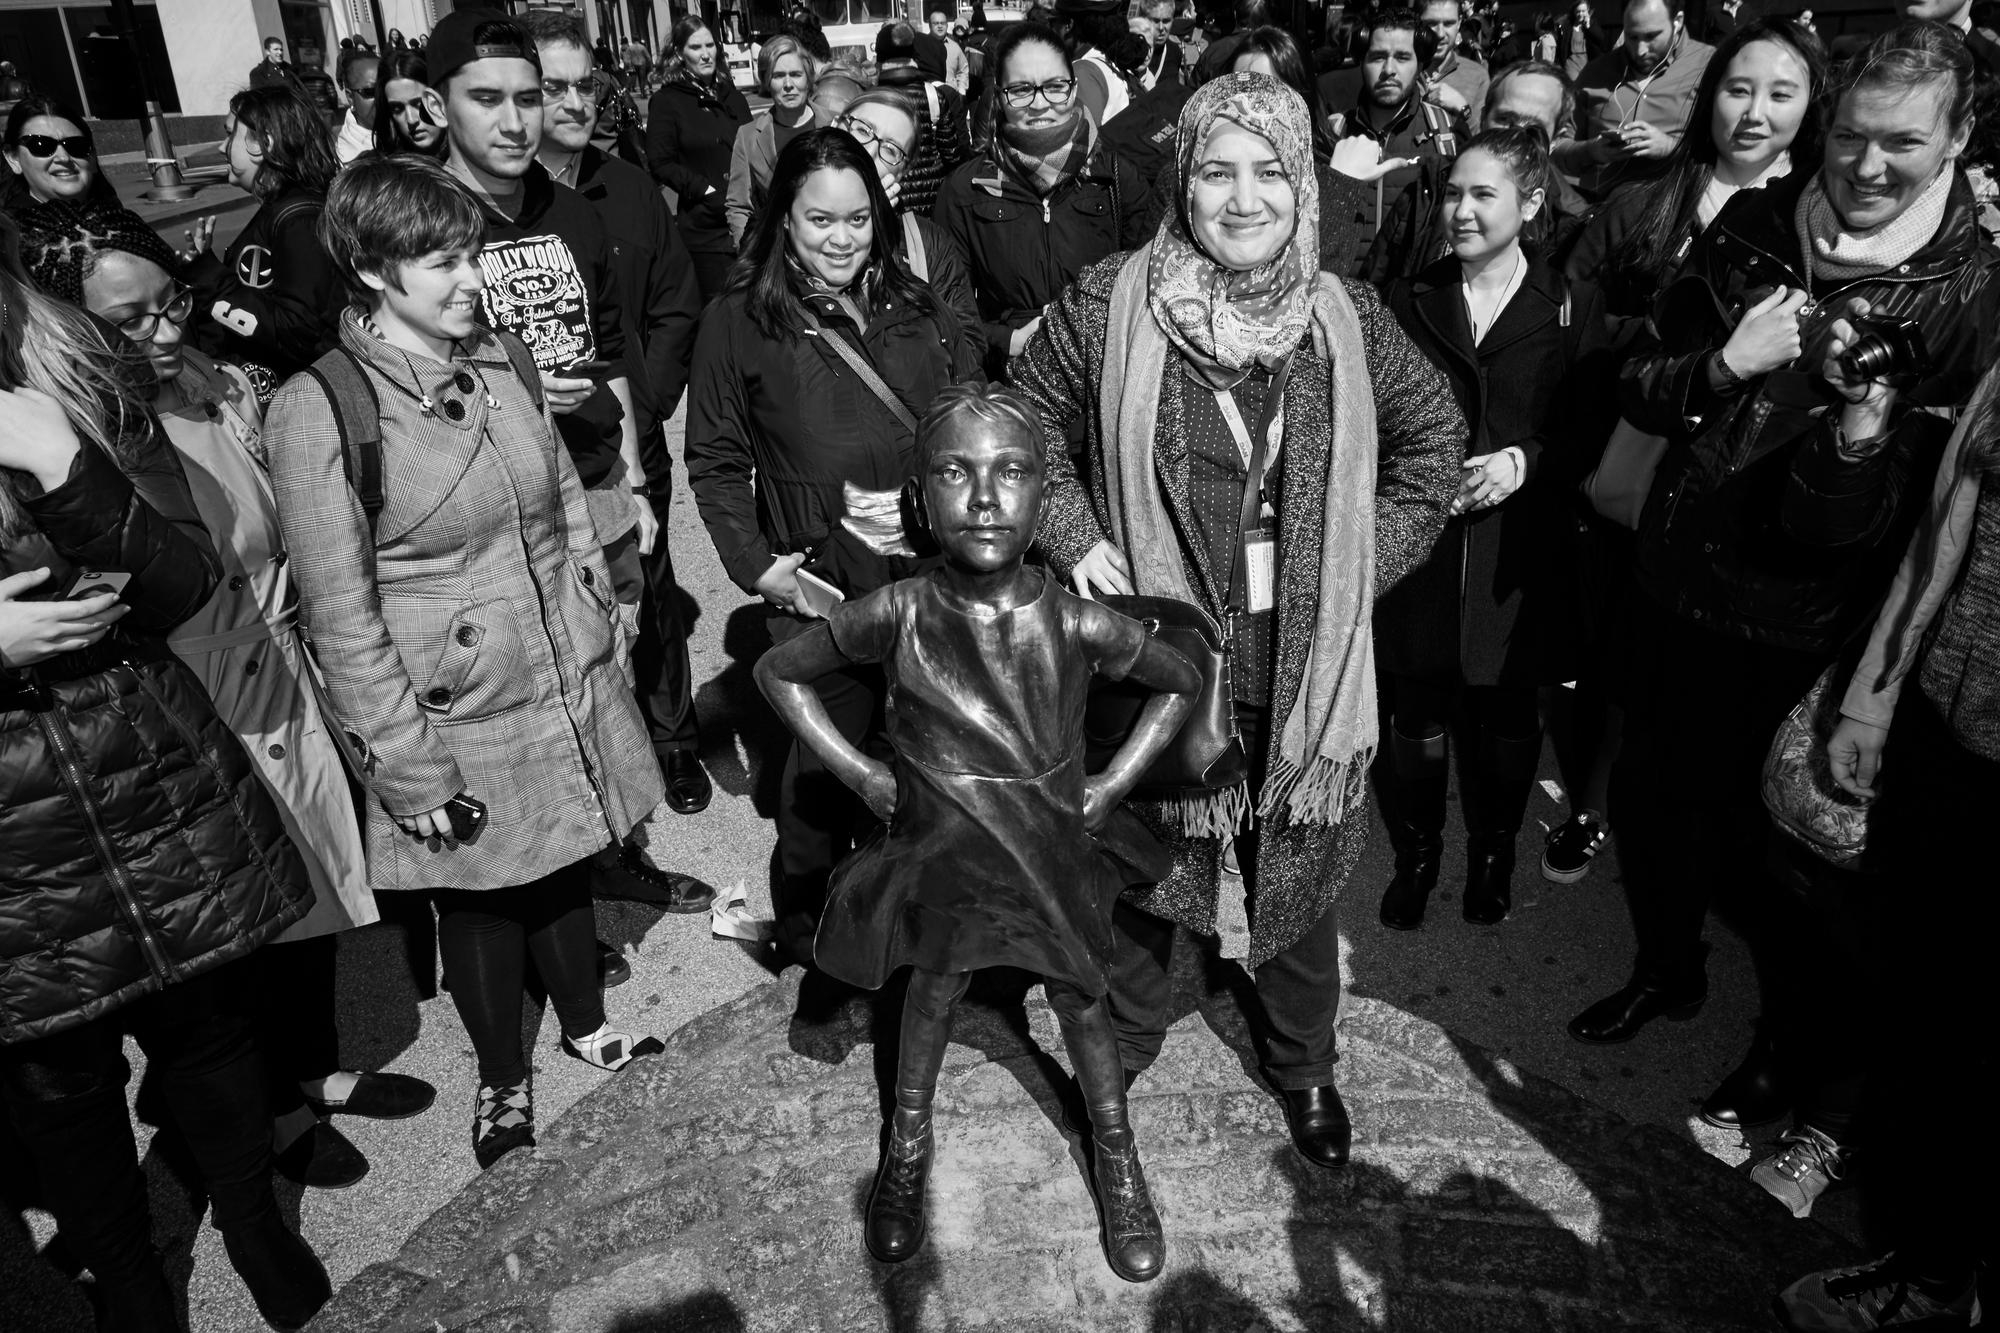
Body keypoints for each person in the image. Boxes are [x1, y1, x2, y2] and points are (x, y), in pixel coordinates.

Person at [1570, 22, 2000, 1217]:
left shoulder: (1973, 295)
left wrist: (1854, 432)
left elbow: (1908, 525)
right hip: (1675, 587)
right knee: (1657, 808)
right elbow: (1640, 385)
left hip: (1813, 631)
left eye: (1900, 144)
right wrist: (1721, 365)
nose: (1866, 167)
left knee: (1795, 876)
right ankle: (1664, 970)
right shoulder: (1755, 225)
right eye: (1851, 137)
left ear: (1956, 139)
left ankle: (1787, 1059)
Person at [1010, 72, 1463, 1172]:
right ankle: (1126, 1026)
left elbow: (1432, 449)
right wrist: (1071, 536)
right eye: (1217, 170)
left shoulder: (1342, 319)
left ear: (1304, 187)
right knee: (1138, 856)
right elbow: (1022, 421)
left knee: (1296, 869)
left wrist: (1358, 572)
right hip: (1155, 658)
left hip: (1301, 666)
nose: (1243, 196)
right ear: (1182, 181)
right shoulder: (1111, 298)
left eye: (1269, 171)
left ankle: (1302, 1063)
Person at [20, 205, 440, 1190]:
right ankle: (268, 1109)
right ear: (67, 327)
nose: (163, 332)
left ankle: (306, 1063)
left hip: (279, 660)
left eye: (172, 303)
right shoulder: (77, 437)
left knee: (314, 887)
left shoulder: (220, 387)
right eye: (129, 320)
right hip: (191, 692)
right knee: (237, 924)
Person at [266, 154, 669, 1171]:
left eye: (468, 254)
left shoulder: (502, 356)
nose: (467, 279)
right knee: (482, 898)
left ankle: (586, 1024)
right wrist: (404, 765)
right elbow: (339, 615)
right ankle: (502, 1079)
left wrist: (597, 602)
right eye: (438, 262)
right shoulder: (322, 409)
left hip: (554, 671)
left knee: (567, 857)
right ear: (368, 268)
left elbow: (561, 502)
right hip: (454, 706)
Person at [756, 385, 1198, 1282]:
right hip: (941, 847)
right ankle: (907, 1141)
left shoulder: (1073, 616)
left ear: (1043, 496)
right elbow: (780, 671)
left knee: (1080, 995)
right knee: (934, 983)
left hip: (1048, 846)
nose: (986, 499)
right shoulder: (900, 610)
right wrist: (861, 772)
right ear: (921, 496)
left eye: (1012, 473)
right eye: (957, 473)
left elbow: (1180, 676)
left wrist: (1111, 785)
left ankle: (1115, 1152)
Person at [0, 211, 329, 1333]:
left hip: (143, 763)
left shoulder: (62, 372)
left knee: (210, 1030)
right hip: (11, 831)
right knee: (63, 1088)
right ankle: (135, 1287)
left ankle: (252, 1220)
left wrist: (56, 463)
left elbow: (184, 578)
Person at [687, 128, 983, 966]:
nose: (842, 238)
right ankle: (812, 942)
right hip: (823, 596)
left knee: (933, 774)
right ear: (784, 217)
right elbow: (712, 460)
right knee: (815, 791)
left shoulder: (917, 308)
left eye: (859, 218)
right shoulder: (738, 321)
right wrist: (755, 564)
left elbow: (968, 418)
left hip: (930, 587)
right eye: (821, 219)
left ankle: (925, 937)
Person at [428, 11, 694, 930]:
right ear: (439, 105)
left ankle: (616, 860)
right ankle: (551, 916)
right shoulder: (423, 220)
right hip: (488, 507)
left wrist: (632, 474)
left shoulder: (573, 208)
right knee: (524, 704)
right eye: (488, 100)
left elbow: (610, 347)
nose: (515, 121)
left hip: (595, 485)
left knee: (604, 677)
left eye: (529, 99)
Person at [1550, 19, 1822, 896]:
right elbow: (1580, 323)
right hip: (1638, 461)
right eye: (1739, 90)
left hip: (1751, 485)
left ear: (1813, 108)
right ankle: (1593, 802)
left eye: (1781, 94)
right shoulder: (1646, 198)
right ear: (1709, 98)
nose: (1754, 112)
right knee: (1614, 650)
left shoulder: (1824, 215)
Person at [1771, 369, 1999, 1331]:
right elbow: (1942, 541)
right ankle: (1934, 1264)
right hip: (1948, 739)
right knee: (1936, 1024)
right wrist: (1874, 694)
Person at [1375, 125, 1622, 930]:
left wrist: (1526, 460)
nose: (1461, 210)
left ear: (1532, 204)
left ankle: (1493, 855)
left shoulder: (1570, 307)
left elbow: (1588, 423)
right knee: (1414, 713)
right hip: (1421, 543)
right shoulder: (1407, 299)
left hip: (1521, 550)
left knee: (1508, 717)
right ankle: (1418, 853)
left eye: (1484, 195)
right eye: (1453, 192)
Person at [525, 12, 715, 830]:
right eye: (552, 86)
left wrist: (649, 395)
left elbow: (676, 301)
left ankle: (673, 737)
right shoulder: (480, 203)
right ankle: (589, 753)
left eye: (584, 84)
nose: (573, 102)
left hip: (627, 438)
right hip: (529, 451)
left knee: (654, 583)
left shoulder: (630, 186)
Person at [933, 21, 1147, 379]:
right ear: (1000, 96)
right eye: (1021, 90)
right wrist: (1007, 340)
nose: (1039, 104)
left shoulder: (1115, 179)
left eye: (1054, 87)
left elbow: (1148, 291)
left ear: (1073, 88)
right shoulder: (965, 189)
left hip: (1103, 386)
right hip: (1013, 389)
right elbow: (945, 309)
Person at [185, 85, 343, 405]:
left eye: (230, 135)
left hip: (299, 403)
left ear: (263, 144)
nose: (220, 147)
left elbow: (297, 331)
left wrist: (212, 282)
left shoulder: (299, 219)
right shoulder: (284, 210)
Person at [1320, 9, 1467, 271]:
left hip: (1409, 299)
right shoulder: (1333, 134)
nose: (1389, 70)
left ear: (1420, 65)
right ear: (1362, 63)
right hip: (1341, 296)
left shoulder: (1447, 132)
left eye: (1402, 57)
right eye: (1377, 57)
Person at [1558, 0, 1716, 195]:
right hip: (1600, 210)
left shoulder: (1709, 66)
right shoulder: (1595, 73)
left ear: (1678, 21)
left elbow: (1729, 151)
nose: (1640, 50)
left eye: (1651, 37)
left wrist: (1672, 147)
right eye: (1632, 37)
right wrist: (1591, 150)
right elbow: (1559, 149)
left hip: (1674, 212)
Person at [647, 15, 751, 302]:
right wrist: (704, 190)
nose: (705, 54)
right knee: (718, 312)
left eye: (709, 45)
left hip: (747, 221)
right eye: (695, 47)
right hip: (705, 229)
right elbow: (660, 161)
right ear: (680, 53)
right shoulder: (668, 101)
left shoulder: (732, 96)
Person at [876, 21, 976, 220]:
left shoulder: (872, 100)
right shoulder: (934, 97)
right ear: (914, 58)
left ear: (879, 60)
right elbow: (953, 157)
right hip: (933, 209)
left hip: (890, 204)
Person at [725, 35, 817, 250]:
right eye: (778, 76)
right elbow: (738, 205)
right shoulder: (748, 136)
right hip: (776, 256)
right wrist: (748, 253)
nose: (788, 85)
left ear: (808, 78)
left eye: (796, 75)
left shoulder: (835, 123)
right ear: (767, 81)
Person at [1, 94, 119, 221]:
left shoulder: (121, 220)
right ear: (13, 159)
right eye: (42, 146)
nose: (64, 158)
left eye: (76, 145)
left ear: (93, 156)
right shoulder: (10, 235)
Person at [1423, 0, 1491, 128]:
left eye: (1448, 23)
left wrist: (1463, 109)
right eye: (1431, 23)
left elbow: (1482, 140)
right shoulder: (1402, 70)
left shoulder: (1477, 76)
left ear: (1459, 22)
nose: (1440, 34)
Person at [374, 50, 444, 157]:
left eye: (419, 104)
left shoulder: (474, 155)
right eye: (397, 109)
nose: (411, 120)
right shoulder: (386, 170)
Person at [335, 52, 382, 164]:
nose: (381, 98)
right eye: (370, 92)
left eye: (385, 88)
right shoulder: (344, 160)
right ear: (350, 97)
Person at [930, 8, 972, 91]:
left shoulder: (955, 47)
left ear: (947, 25)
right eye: (936, 23)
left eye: (942, 23)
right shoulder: (922, 45)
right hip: (930, 97)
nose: (940, 26)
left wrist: (961, 90)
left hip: (952, 97)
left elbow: (963, 71)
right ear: (930, 25)